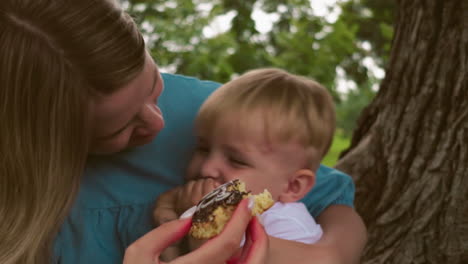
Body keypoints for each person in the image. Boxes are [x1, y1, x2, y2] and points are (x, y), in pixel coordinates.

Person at [0, 0, 366, 263]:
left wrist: (326, 254)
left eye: (153, 86)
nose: (159, 123)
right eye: (125, 126)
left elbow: (332, 199)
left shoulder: (211, 115)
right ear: (51, 143)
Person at [154, 68, 336, 259]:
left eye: (236, 160)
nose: (207, 168)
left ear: (292, 186)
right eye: (203, 149)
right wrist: (167, 212)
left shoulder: (289, 230)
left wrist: (204, 226)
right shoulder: (191, 197)